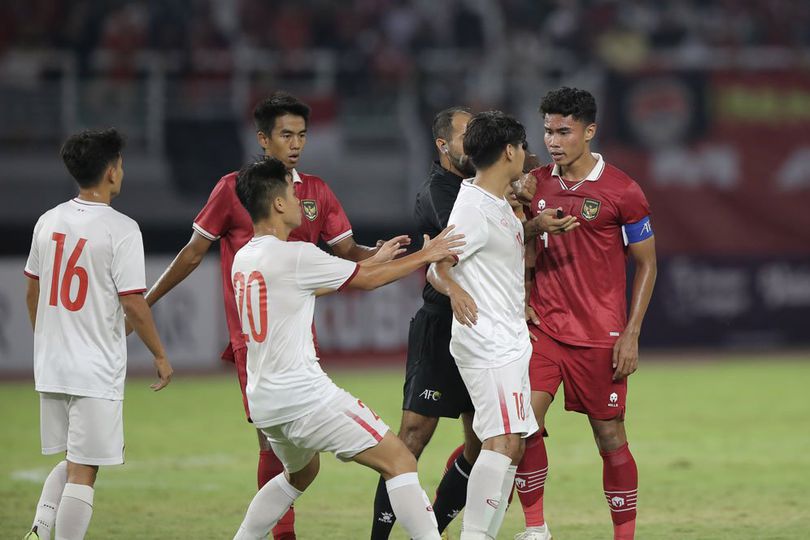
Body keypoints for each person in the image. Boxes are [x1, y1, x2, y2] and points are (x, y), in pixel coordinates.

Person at [142, 92, 382, 540]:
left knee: (296, 453)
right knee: (273, 442)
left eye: (302, 135)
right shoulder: (232, 189)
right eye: (286, 135)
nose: (295, 144)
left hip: (297, 338)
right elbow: (194, 253)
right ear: (263, 139)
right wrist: (148, 300)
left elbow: (348, 252)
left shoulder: (315, 192)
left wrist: (386, 253)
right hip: (250, 339)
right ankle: (281, 535)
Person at [229, 157, 464, 540]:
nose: (297, 197)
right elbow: (366, 282)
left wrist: (378, 258)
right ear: (278, 204)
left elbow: (332, 280)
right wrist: (427, 253)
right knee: (400, 460)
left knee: (300, 473)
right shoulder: (295, 255)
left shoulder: (245, 258)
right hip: (303, 397)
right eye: (292, 191)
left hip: (265, 400)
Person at [515, 87, 657, 540]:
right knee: (523, 425)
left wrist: (631, 333)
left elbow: (648, 263)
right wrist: (524, 295)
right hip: (545, 329)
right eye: (548, 131)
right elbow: (520, 247)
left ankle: (623, 536)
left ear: (589, 132)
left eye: (564, 131)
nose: (554, 140)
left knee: (610, 437)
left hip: (601, 334)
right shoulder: (534, 183)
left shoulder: (623, 190)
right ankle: (536, 529)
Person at [23, 129, 173, 540]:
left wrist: (49, 340)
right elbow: (133, 303)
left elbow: (32, 291)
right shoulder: (121, 228)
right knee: (85, 469)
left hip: (52, 364)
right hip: (94, 368)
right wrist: (160, 355)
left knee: (75, 458)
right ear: (111, 171)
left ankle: (38, 531)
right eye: (120, 163)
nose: (122, 170)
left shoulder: (47, 220)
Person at [427, 111, 539, 540]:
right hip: (487, 341)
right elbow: (438, 265)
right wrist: (453, 290)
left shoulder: (493, 201)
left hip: (505, 338)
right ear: (510, 151)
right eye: (524, 147)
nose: (527, 155)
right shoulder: (472, 208)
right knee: (501, 444)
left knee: (510, 445)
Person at [370, 106, 481, 539]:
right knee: (413, 437)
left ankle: (433, 528)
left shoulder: (482, 187)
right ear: (443, 145)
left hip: (483, 326)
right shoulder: (437, 191)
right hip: (441, 323)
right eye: (465, 135)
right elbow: (464, 243)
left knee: (480, 444)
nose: (473, 143)